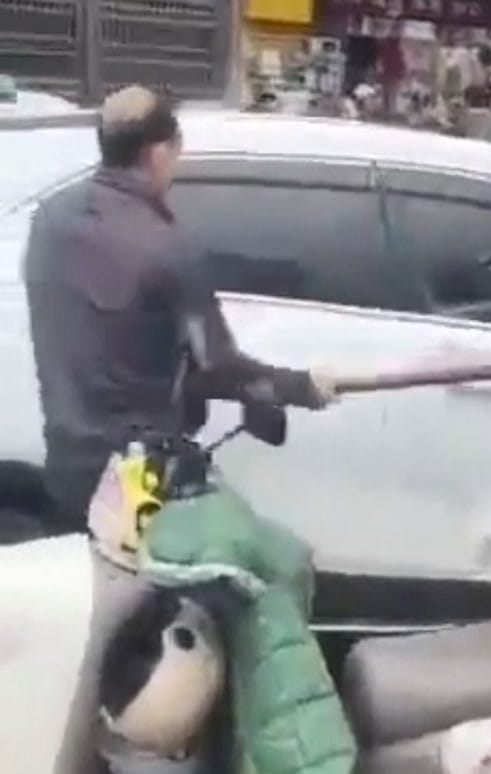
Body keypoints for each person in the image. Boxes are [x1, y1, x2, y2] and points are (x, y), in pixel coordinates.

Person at [23, 85, 335, 535]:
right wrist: (302, 386)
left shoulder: (50, 218)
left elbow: (114, 334)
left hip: (66, 461)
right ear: (157, 151)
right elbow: (218, 365)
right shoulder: (167, 248)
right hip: (136, 478)